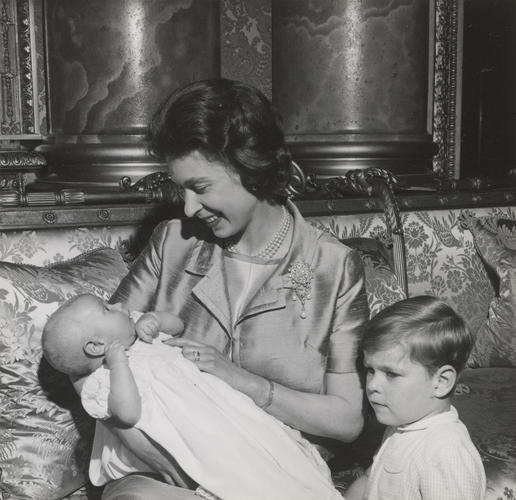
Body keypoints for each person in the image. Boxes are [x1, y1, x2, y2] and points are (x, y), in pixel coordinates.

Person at [102, 78, 370, 499]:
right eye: (181, 189)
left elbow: (346, 419)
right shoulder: (173, 243)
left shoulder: (333, 267)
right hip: (166, 472)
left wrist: (243, 382)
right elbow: (98, 347)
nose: (188, 207)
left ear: (250, 166)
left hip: (278, 475)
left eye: (201, 187)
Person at [42, 293, 343, 500]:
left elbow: (178, 325)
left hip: (218, 411)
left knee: (266, 447)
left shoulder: (135, 331)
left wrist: (155, 320)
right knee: (236, 472)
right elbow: (128, 413)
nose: (119, 303)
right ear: (96, 346)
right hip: (188, 433)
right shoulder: (102, 380)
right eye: (107, 308)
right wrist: (119, 365)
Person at [345, 295, 486, 500]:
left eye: (391, 374)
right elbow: (370, 478)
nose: (372, 385)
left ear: (442, 381)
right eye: (370, 370)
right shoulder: (404, 424)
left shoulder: (445, 453)